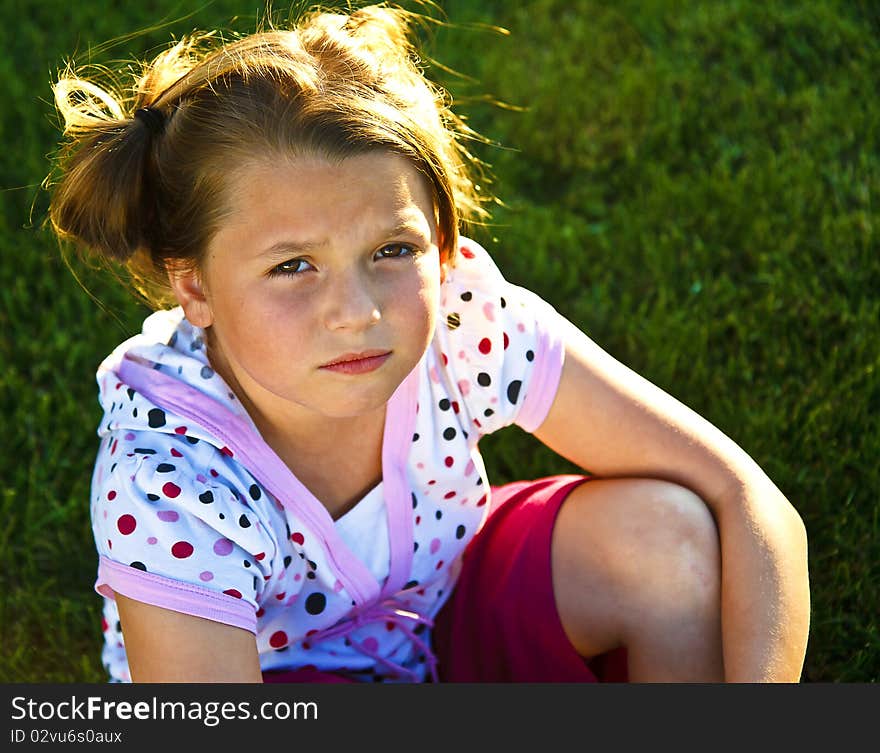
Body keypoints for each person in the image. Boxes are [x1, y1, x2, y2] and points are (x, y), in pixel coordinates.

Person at [47, 4, 809, 683]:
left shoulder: (461, 317)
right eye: (292, 266)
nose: (357, 312)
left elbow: (743, 497)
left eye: (391, 251)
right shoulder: (168, 474)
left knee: (666, 535)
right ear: (196, 288)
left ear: (442, 245)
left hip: (445, 612)